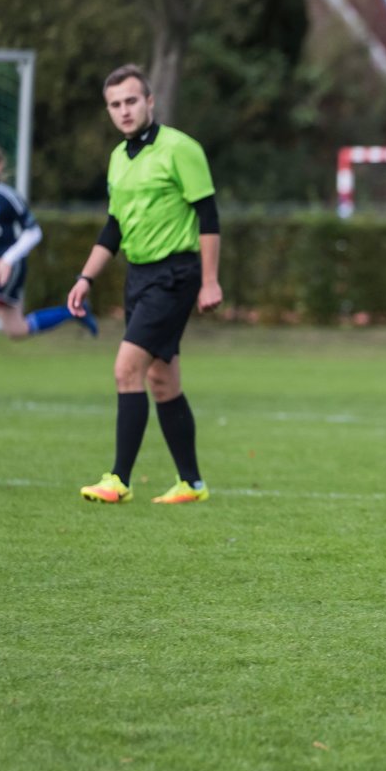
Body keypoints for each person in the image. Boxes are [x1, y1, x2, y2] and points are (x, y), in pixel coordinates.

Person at [67, 63, 222, 504]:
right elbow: (113, 228)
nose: (124, 111)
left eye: (131, 101)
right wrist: (85, 277)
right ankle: (192, 484)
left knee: (125, 368)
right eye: (115, 105)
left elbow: (208, 217)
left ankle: (118, 479)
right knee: (162, 382)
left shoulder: (180, 148)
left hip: (176, 275)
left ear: (150, 101)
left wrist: (209, 281)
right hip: (139, 277)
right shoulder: (118, 158)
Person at [0, 141, 98, 400]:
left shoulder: (7, 197)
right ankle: (72, 311)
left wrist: (8, 259)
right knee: (16, 330)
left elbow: (34, 232)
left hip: (9, 268)